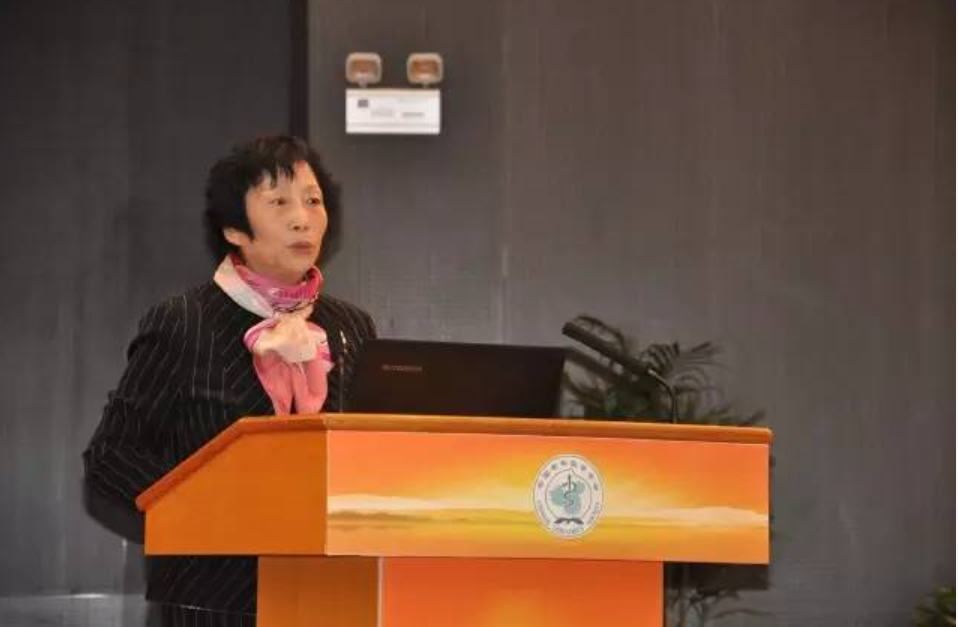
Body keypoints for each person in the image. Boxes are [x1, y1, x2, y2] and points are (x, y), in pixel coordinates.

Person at [83, 135, 376, 626]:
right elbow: (112, 456)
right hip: (211, 597)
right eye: (278, 203)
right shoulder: (183, 322)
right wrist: (208, 511)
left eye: (312, 200)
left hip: (332, 593)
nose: (302, 218)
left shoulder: (351, 326)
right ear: (235, 229)